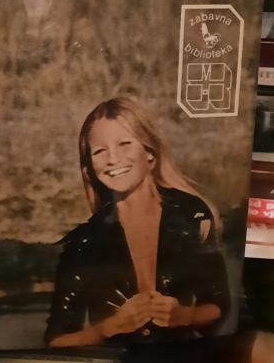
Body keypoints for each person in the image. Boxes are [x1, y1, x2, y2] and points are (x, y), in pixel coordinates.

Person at [45, 97, 230, 347]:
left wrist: (184, 316)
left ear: (150, 153)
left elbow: (219, 305)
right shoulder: (83, 244)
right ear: (89, 168)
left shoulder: (192, 215)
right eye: (100, 151)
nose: (113, 159)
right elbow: (56, 341)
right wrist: (108, 328)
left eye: (124, 144)